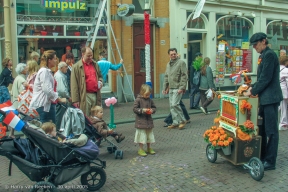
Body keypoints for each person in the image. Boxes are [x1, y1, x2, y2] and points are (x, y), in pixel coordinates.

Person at [244, 32, 283, 171]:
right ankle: (264, 155)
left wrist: (252, 91)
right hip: (265, 99)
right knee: (263, 129)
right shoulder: (263, 56)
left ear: (263, 41)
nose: (254, 47)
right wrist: (251, 87)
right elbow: (261, 78)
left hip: (271, 99)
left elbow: (266, 78)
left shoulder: (270, 55)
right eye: (253, 45)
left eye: (256, 45)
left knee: (271, 131)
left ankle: (270, 161)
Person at [29, 50, 66, 124]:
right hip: (44, 105)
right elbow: (47, 90)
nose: (56, 61)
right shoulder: (44, 71)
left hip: (47, 105)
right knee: (48, 129)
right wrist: (59, 99)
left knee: (49, 129)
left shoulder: (47, 71)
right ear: (49, 60)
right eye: (55, 59)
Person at [71, 46, 103, 116]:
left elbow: (100, 76)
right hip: (85, 95)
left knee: (95, 116)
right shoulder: (76, 67)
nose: (90, 57)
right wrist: (75, 100)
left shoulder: (95, 64)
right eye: (88, 56)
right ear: (83, 54)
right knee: (86, 116)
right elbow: (74, 84)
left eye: (91, 55)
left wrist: (100, 81)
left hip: (95, 94)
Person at [162, 48, 188, 129]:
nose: (173, 55)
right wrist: (165, 88)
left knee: (175, 104)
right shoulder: (168, 64)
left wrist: (182, 87)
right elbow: (166, 76)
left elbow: (184, 76)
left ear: (177, 54)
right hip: (171, 88)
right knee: (171, 106)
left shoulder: (181, 63)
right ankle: (175, 122)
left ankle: (182, 120)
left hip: (178, 87)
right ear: (169, 55)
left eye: (174, 54)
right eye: (171, 54)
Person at [133, 84, 156, 156]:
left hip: (148, 121)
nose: (148, 96)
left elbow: (154, 107)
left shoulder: (150, 100)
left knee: (149, 135)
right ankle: (141, 149)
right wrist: (142, 110)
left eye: (149, 94)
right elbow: (134, 109)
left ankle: (149, 148)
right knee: (142, 136)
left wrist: (152, 110)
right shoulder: (138, 100)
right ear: (142, 93)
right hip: (141, 121)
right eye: (146, 95)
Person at [279, 56, 288, 130]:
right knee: (284, 107)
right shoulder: (285, 70)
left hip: (277, 90)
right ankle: (283, 123)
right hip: (284, 90)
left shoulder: (276, 68)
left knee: (279, 106)